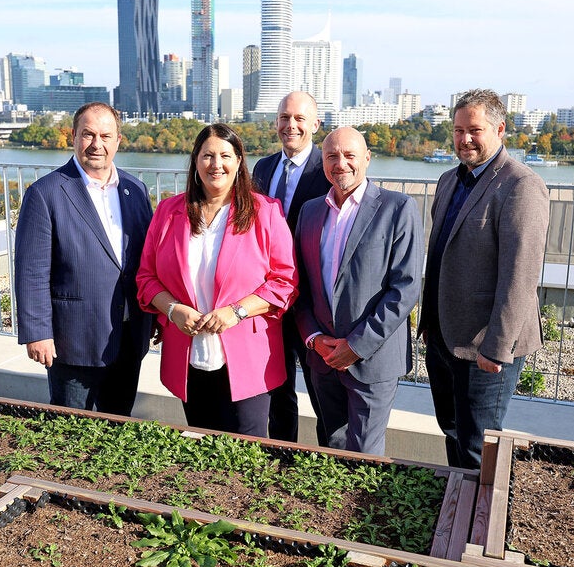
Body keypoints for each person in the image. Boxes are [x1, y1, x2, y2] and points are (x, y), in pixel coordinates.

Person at [136, 123, 298, 437]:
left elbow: (284, 282)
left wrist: (235, 311)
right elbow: (147, 277)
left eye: (225, 155)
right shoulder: (169, 212)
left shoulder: (265, 212)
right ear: (195, 162)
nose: (216, 164)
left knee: (247, 455)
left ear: (239, 162)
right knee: (203, 453)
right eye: (207, 155)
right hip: (189, 355)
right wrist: (173, 311)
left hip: (248, 362)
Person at [419, 88, 550, 469]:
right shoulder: (448, 181)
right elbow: (441, 255)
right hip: (443, 338)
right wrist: (429, 324)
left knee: (479, 448)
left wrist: (497, 348)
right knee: (451, 430)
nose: (464, 139)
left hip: (485, 346)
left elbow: (520, 276)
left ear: (500, 129)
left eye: (474, 130)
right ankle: (456, 508)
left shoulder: (520, 186)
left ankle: (480, 524)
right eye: (458, 130)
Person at [14, 101, 154, 415]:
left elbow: (147, 259)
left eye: (106, 136)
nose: (97, 144)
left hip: (128, 337)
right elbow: (31, 271)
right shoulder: (46, 193)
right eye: (88, 135)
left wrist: (156, 315)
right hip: (73, 342)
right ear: (74, 137)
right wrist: (38, 333)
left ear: (119, 140)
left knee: (118, 428)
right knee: (71, 435)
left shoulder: (136, 189)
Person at [293, 126, 422, 455]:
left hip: (372, 360)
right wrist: (313, 338)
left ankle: (363, 508)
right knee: (332, 447)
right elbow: (301, 286)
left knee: (364, 453)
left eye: (349, 155)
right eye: (332, 156)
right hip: (323, 357)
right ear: (322, 161)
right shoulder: (309, 211)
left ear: (366, 158)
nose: (341, 163)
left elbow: (404, 289)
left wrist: (356, 345)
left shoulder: (398, 208)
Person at [252, 91, 332, 443]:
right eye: (285, 117)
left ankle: (328, 460)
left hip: (312, 300)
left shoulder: (328, 168)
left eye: (300, 119)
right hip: (270, 297)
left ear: (315, 124)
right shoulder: (262, 168)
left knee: (322, 391)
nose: (291, 125)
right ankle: (284, 455)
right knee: (277, 385)